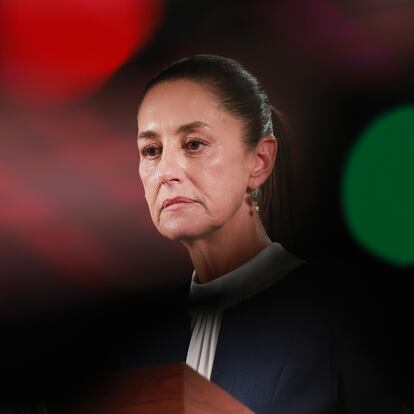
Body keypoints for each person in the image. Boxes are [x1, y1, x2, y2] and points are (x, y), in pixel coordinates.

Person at [133, 54, 403, 413]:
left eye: (194, 144)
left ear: (259, 161)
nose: (167, 171)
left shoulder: (344, 315)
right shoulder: (136, 334)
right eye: (151, 150)